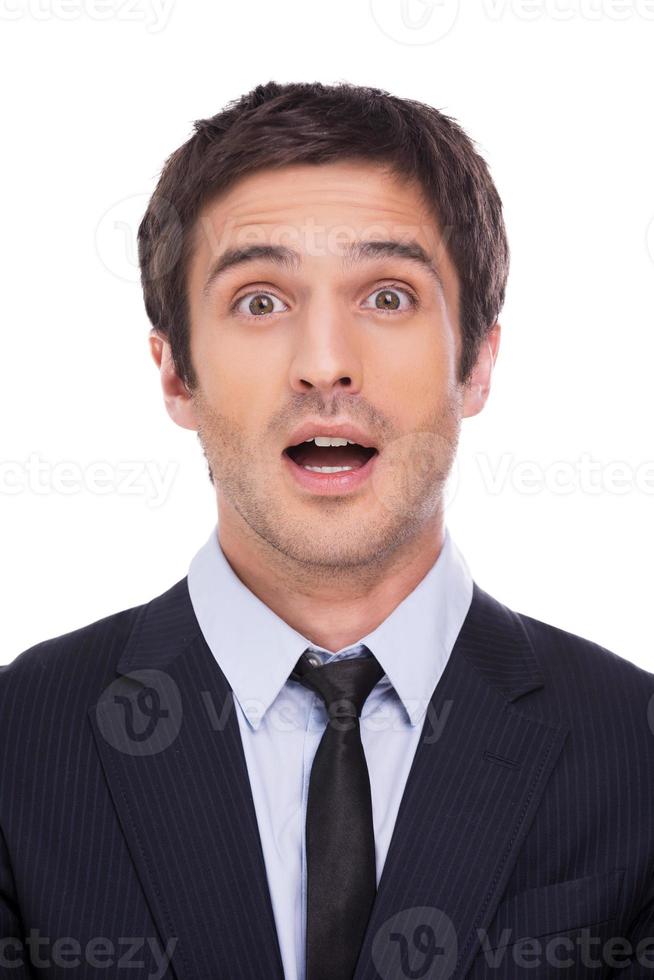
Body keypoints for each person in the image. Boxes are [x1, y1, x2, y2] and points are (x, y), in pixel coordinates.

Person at [1, 80, 652, 980]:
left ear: (478, 363)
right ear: (176, 376)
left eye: (387, 297)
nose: (324, 365)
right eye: (260, 301)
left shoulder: (636, 749)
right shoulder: (18, 744)